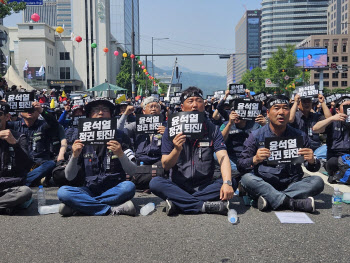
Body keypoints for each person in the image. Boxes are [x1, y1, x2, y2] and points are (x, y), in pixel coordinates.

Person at [150, 87, 235, 216]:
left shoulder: (213, 129)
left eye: (198, 101)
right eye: (190, 101)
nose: (195, 105)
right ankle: (204, 205)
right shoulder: (170, 129)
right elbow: (166, 165)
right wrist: (177, 150)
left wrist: (227, 183)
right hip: (179, 185)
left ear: (204, 104)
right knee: (155, 183)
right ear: (182, 107)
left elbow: (223, 156)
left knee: (231, 181)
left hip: (205, 186)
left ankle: (179, 203)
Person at [237, 95, 324, 213]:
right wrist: (255, 159)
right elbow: (241, 165)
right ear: (268, 113)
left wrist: (312, 161)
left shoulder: (300, 136)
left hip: (292, 183)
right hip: (264, 182)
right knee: (246, 179)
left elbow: (313, 168)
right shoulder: (256, 135)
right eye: (276, 108)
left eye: (285, 108)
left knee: (317, 181)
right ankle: (292, 202)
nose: (281, 112)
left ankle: (272, 199)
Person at [57, 98, 137, 217]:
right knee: (63, 192)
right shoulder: (80, 137)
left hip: (115, 188)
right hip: (89, 190)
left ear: (111, 115)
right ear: (89, 116)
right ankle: (111, 209)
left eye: (105, 109)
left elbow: (133, 171)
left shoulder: (120, 136)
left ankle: (80, 207)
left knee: (129, 187)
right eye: (96, 110)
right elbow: (69, 176)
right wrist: (74, 156)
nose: (100, 113)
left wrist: (121, 154)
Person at [7, 102, 58, 186]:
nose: (30, 111)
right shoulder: (14, 125)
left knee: (51, 164)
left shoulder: (44, 125)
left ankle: (23, 181)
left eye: (33, 109)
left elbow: (54, 123)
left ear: (38, 113)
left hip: (40, 164)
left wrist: (42, 111)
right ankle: (32, 180)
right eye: (26, 109)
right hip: (21, 164)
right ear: (20, 111)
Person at [123, 96, 167, 190]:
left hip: (159, 160)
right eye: (150, 107)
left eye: (156, 106)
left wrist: (167, 133)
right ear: (143, 111)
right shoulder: (136, 125)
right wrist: (125, 114)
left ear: (160, 110)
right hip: (139, 160)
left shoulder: (166, 126)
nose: (154, 109)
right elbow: (119, 131)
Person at [0, 102, 33, 215]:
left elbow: (27, 165)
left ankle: (6, 205)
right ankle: (5, 207)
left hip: (12, 188)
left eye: (0, 114)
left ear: (7, 116)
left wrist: (15, 144)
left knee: (25, 192)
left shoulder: (19, 137)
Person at [312, 96, 350, 183]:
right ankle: (338, 175)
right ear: (337, 110)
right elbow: (316, 128)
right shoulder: (333, 122)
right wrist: (332, 118)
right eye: (346, 106)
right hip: (335, 158)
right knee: (333, 162)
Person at [289, 93, 331, 160]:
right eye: (304, 102)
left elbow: (329, 119)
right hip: (300, 149)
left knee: (329, 147)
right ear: (298, 105)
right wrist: (295, 102)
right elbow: (290, 119)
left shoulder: (316, 116)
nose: (307, 104)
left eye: (309, 102)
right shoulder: (295, 116)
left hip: (316, 149)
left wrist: (322, 102)